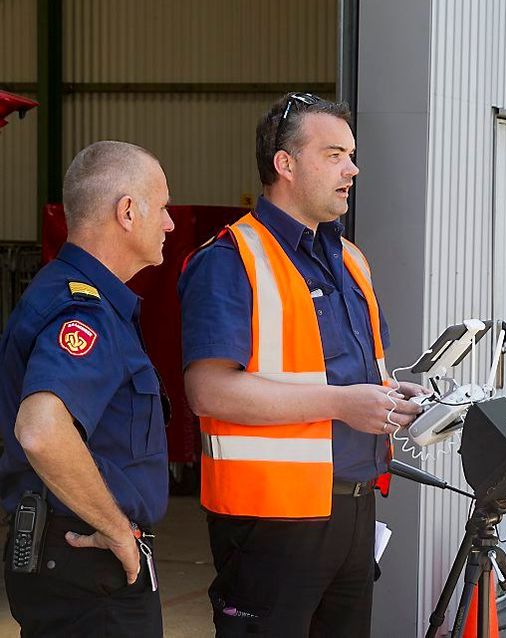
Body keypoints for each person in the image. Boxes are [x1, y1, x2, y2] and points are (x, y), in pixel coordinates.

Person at [179, 92, 426, 637]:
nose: (353, 169)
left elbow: (348, 375)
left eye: (352, 154)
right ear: (284, 165)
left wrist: (393, 396)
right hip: (270, 522)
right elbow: (209, 392)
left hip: (353, 513)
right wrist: (343, 404)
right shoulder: (229, 259)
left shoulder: (350, 259)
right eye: (334, 154)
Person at [0, 140, 174, 636]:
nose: (169, 224)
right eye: (162, 208)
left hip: (72, 564)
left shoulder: (66, 292)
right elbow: (41, 430)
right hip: (89, 569)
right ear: (127, 212)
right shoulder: (85, 309)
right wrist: (120, 532)